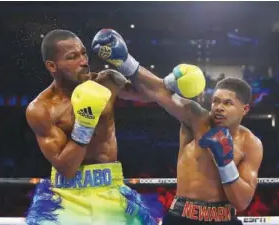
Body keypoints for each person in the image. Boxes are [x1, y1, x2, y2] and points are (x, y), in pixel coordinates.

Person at [92, 29, 263, 225]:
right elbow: (160, 91)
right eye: (216, 101)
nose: (218, 108)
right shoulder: (196, 118)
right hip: (183, 218)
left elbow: (241, 202)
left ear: (245, 109)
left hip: (223, 219)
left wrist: (225, 163)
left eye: (227, 103)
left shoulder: (251, 143)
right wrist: (125, 60)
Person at [24, 29, 183, 225]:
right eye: (72, 57)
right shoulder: (41, 108)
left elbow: (156, 92)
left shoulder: (106, 81)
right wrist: (85, 123)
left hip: (110, 187)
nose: (83, 61)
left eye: (83, 53)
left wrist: (127, 62)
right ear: (52, 66)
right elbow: (67, 168)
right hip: (66, 194)